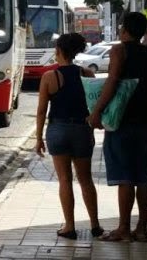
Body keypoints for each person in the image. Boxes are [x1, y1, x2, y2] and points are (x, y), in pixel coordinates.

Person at [88, 12, 147, 242]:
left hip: (122, 122)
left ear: (124, 29)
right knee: (144, 178)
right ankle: (142, 229)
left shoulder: (119, 50)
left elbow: (112, 81)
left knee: (125, 177)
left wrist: (96, 112)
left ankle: (124, 228)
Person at [35, 33, 103, 240]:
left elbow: (41, 111)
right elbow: (92, 105)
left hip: (58, 130)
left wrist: (38, 138)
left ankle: (70, 227)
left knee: (64, 180)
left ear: (60, 51)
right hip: (82, 130)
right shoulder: (87, 74)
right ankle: (95, 225)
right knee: (86, 180)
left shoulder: (50, 77)